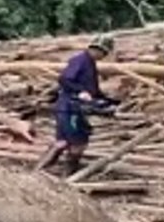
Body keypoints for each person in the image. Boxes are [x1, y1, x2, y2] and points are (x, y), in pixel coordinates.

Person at [36, 35, 115, 175]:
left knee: (62, 141)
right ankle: (67, 175)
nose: (103, 57)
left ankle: (39, 171)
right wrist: (81, 92)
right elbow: (64, 79)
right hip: (70, 108)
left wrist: (107, 100)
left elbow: (92, 89)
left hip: (69, 107)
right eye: (104, 53)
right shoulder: (80, 60)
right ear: (99, 50)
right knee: (78, 143)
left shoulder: (89, 62)